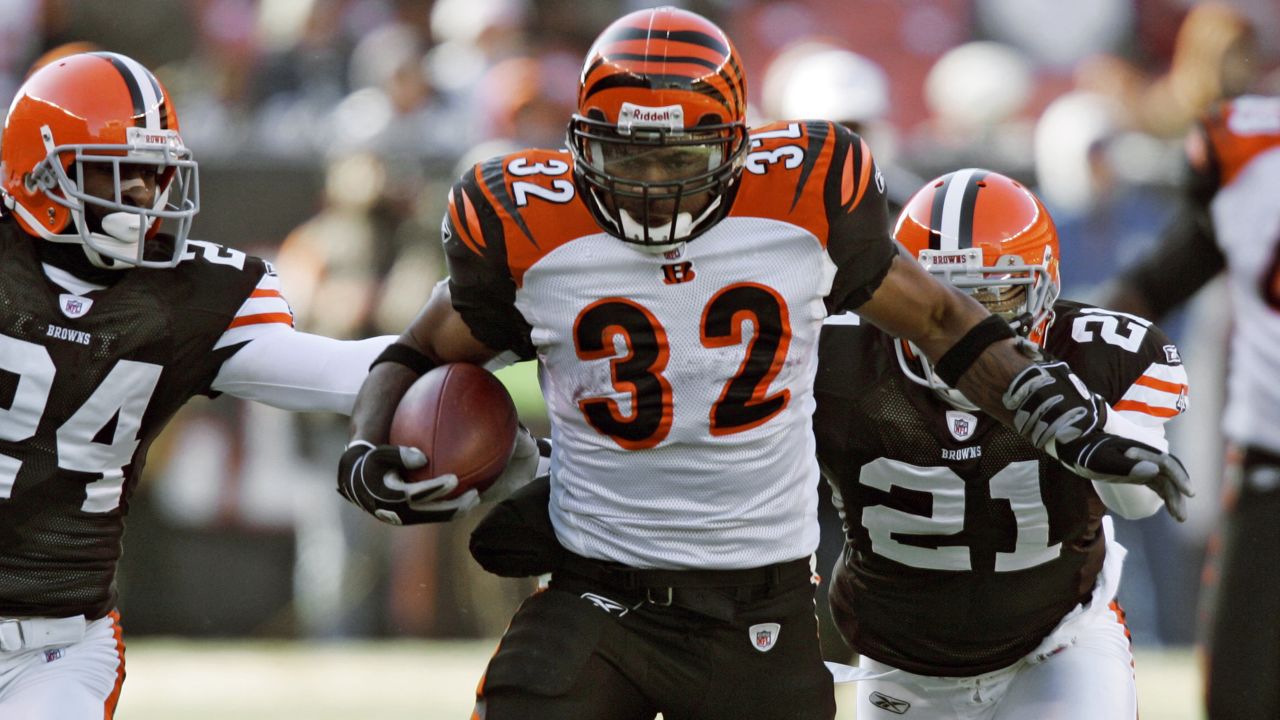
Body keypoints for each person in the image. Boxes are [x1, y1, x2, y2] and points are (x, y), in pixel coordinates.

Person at [336, 8, 1191, 719]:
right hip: (597, 585)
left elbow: (942, 319)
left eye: (682, 158)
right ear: (579, 145)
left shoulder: (803, 203)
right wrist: (367, 450)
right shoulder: (528, 224)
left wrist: (1068, 425)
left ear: (739, 144)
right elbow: (413, 352)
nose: (653, 185)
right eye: (627, 156)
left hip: (760, 604)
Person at [0, 51, 535, 720]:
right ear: (40, 175)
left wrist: (491, 328)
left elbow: (343, 371)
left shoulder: (189, 296)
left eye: (152, 172)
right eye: (117, 174)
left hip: (56, 649)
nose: (143, 196)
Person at [814, 169, 1188, 719]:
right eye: (946, 294)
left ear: (1044, 287)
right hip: (901, 661)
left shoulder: (1096, 354)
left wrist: (1085, 419)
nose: (970, 320)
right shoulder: (835, 355)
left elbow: (1138, 502)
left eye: (996, 292)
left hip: (1056, 646)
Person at [1100, 93, 1280, 720]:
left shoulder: (1248, 147)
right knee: (1239, 696)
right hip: (1269, 473)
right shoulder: (1247, 153)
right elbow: (1149, 289)